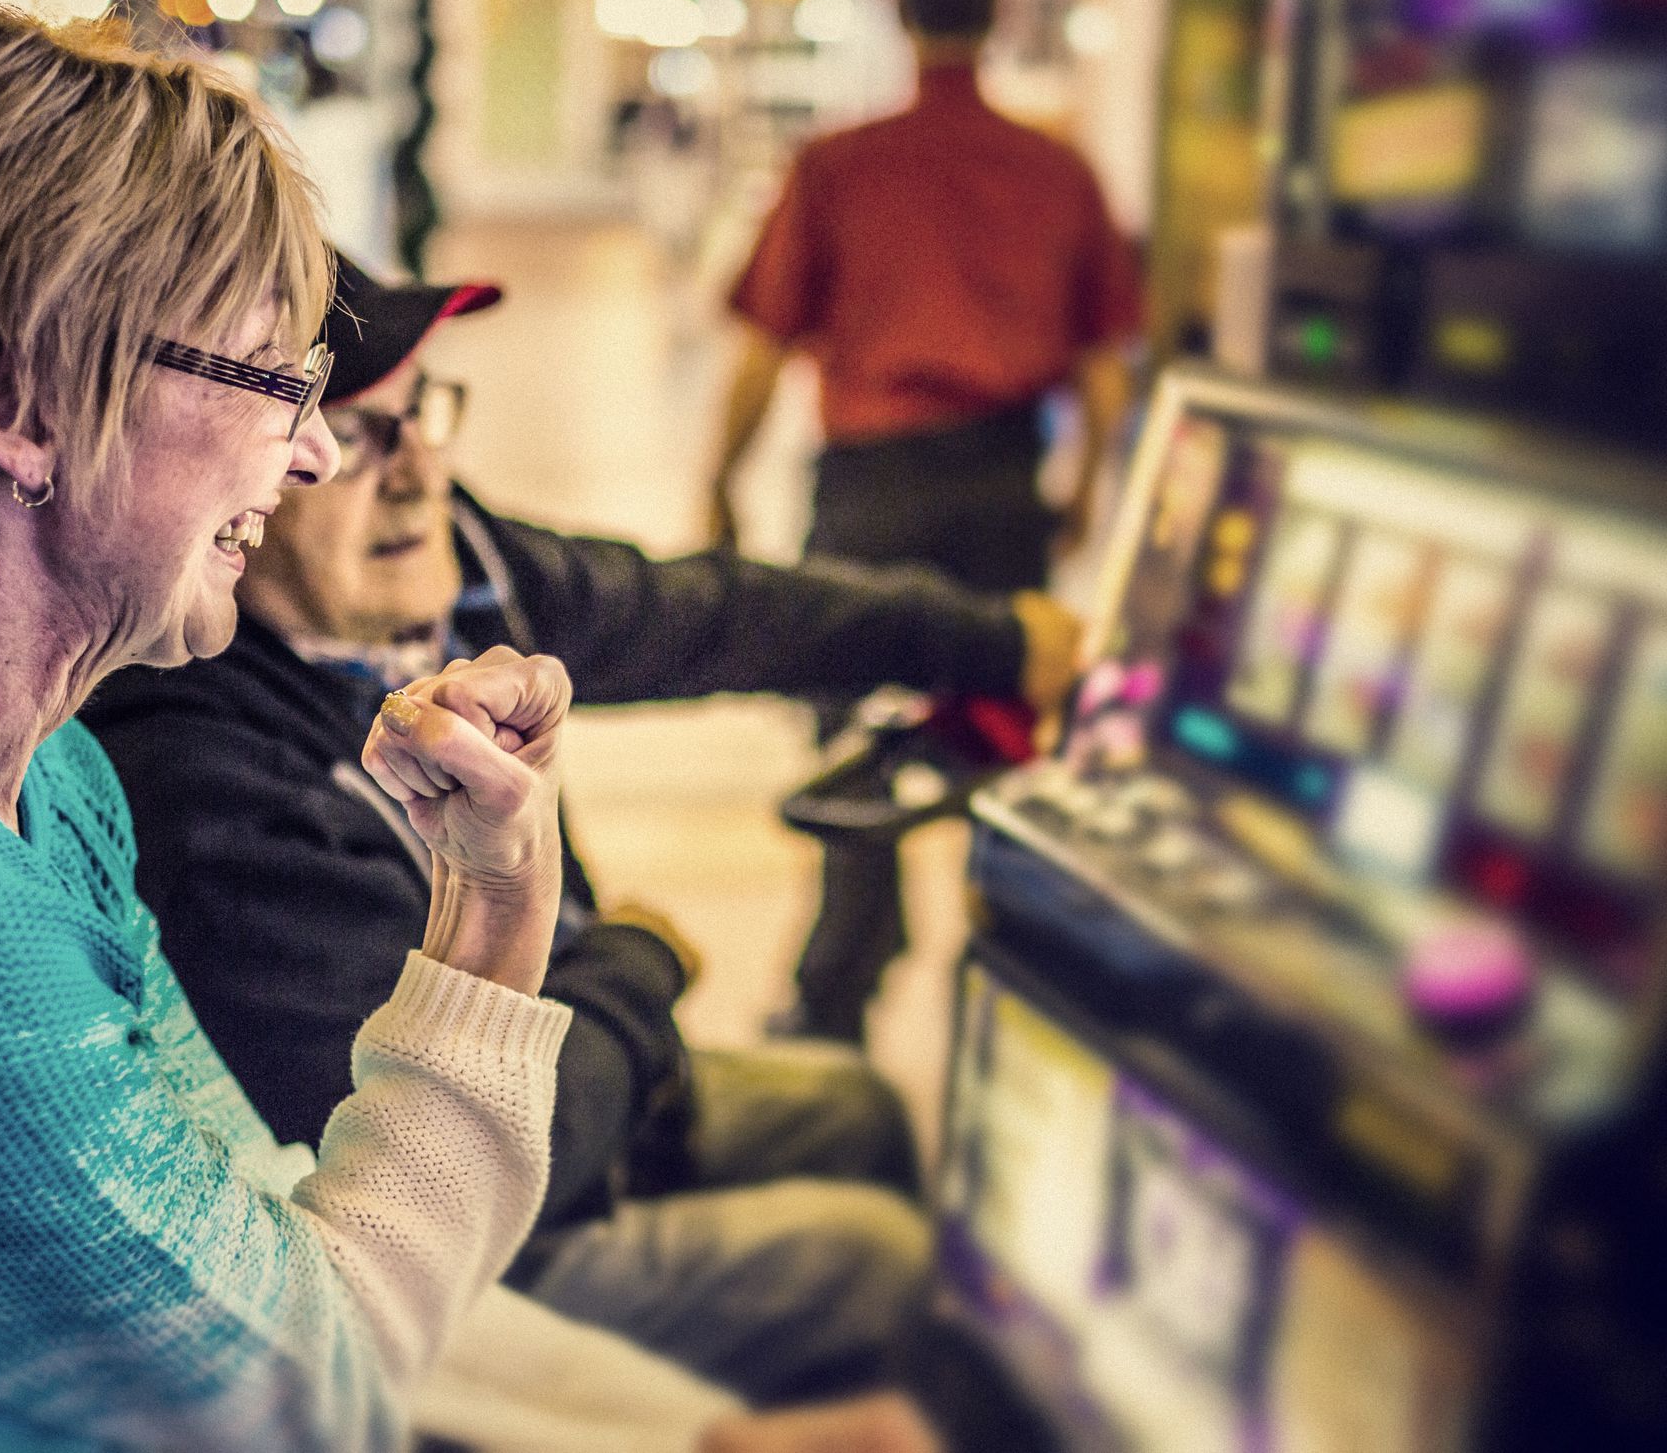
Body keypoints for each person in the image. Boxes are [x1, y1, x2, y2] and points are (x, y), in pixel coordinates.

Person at [0, 1, 932, 1452]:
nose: (311, 450)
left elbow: (268, 1234)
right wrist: (497, 918)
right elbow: (298, 1389)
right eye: (271, 379)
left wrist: (681, 1437)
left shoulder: (45, 773)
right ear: (12, 397)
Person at [83, 254, 1083, 1406]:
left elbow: (705, 612)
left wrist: (988, 642)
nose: (416, 475)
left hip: (572, 1064)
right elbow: (474, 1163)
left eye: (423, 415)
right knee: (875, 1261)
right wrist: (635, 969)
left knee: (858, 1109)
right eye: (352, 436)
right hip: (468, 1240)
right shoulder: (202, 776)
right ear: (246, 487)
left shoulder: (456, 570)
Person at [706, 0, 1141, 1043]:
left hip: (872, 495)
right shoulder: (1058, 169)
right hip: (1000, 490)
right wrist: (1082, 492)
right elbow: (1104, 370)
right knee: (1005, 740)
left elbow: (764, 346)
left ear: (901, 21)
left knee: (860, 746)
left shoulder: (838, 164)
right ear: (998, 22)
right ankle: (1015, 989)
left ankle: (836, 1002)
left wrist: (718, 477)